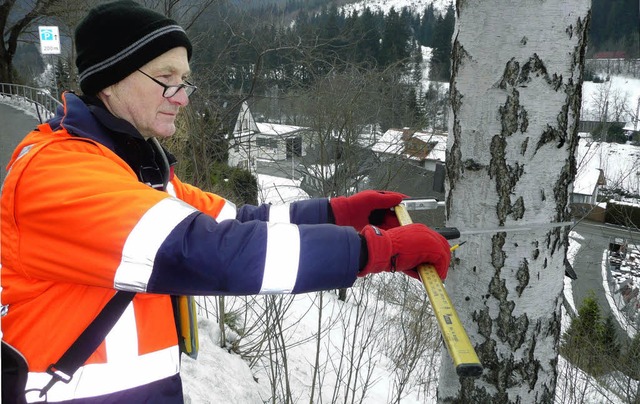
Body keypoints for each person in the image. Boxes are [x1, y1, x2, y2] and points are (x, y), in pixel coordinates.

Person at [0, 1, 451, 402]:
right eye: (165, 80)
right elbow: (209, 251)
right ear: (110, 80)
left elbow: (234, 219)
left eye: (185, 82)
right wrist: (374, 251)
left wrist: (338, 212)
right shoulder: (58, 174)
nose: (182, 98)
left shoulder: (134, 170)